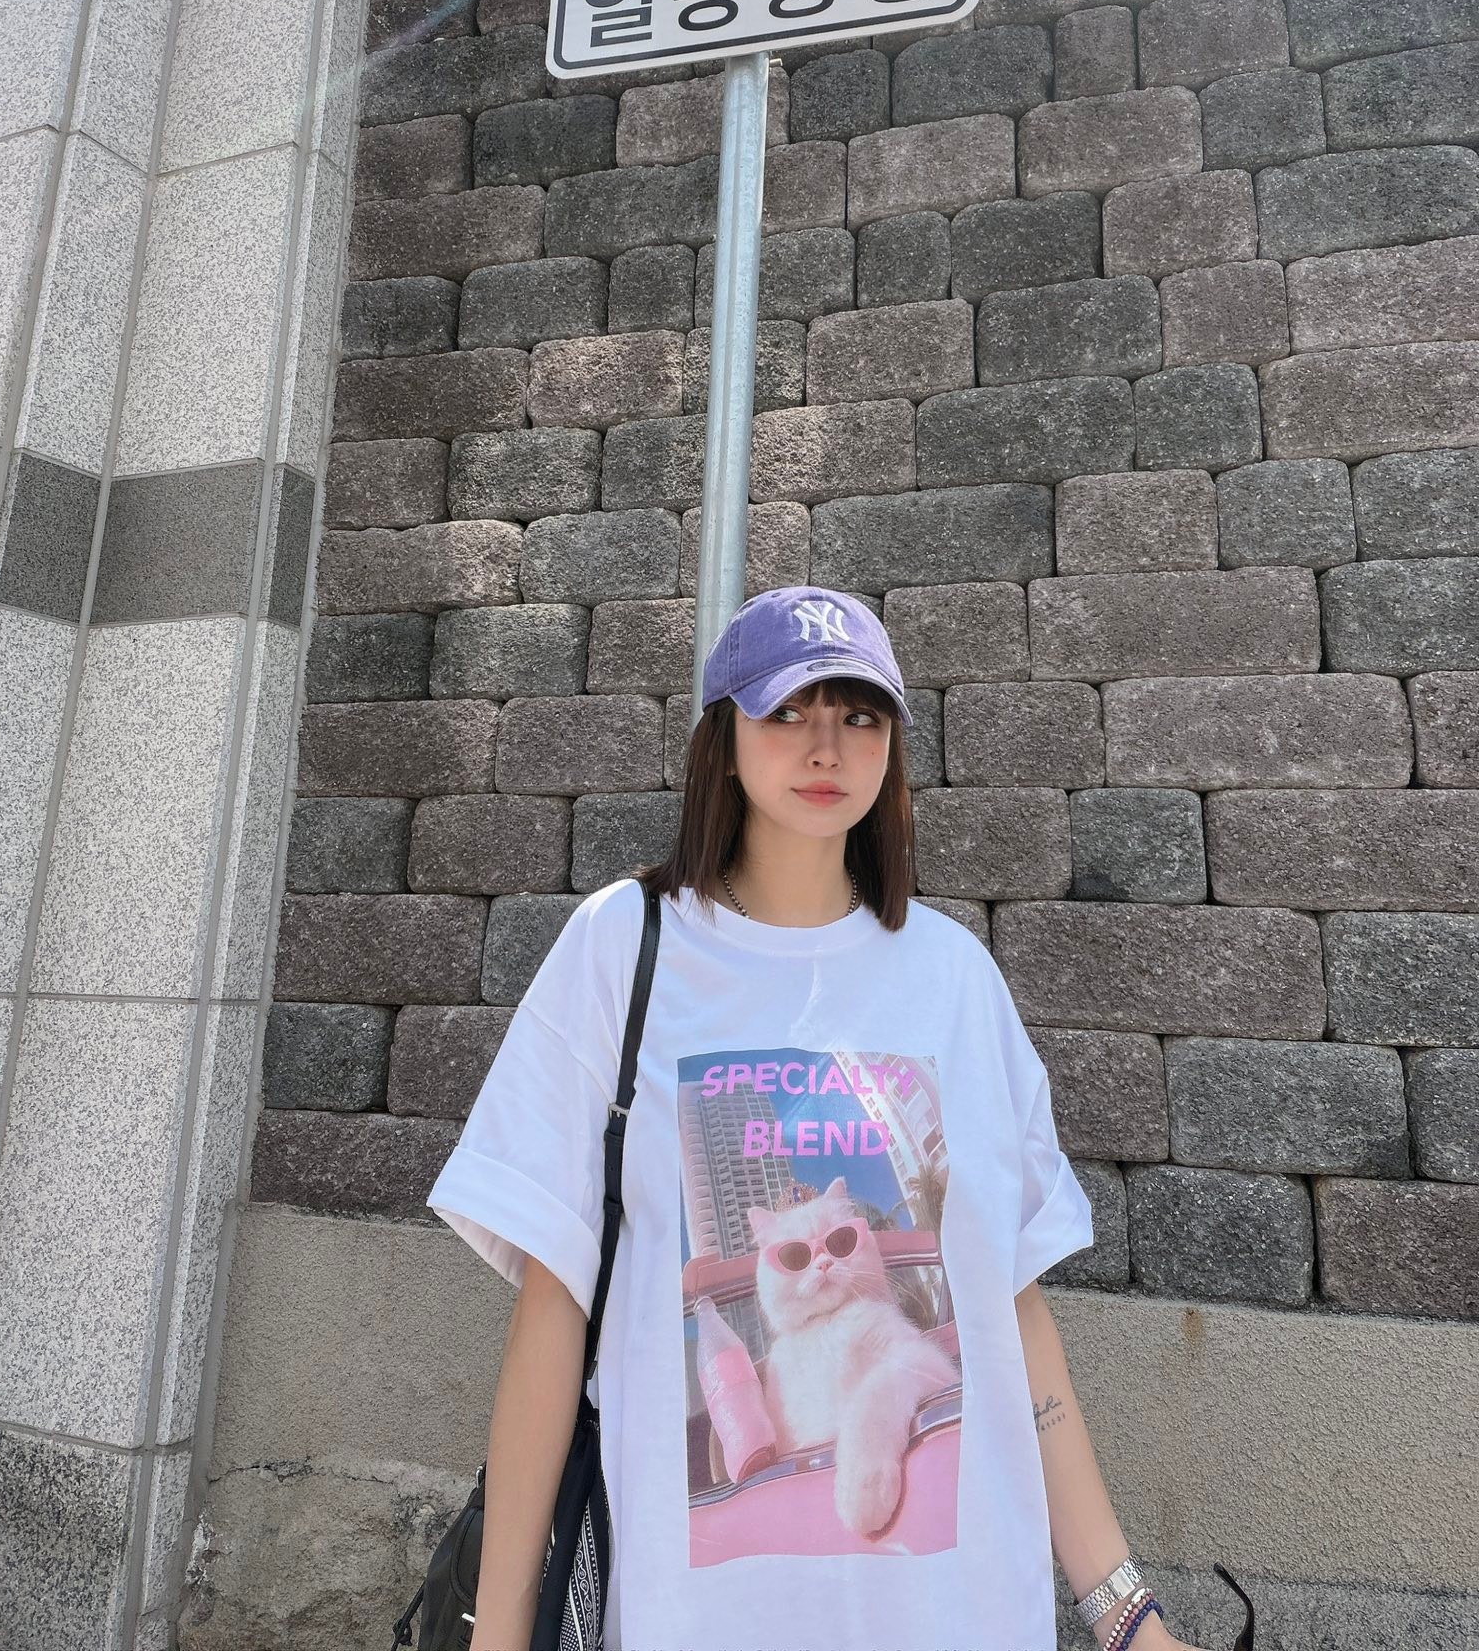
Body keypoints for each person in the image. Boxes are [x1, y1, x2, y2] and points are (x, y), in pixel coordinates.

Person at [428, 584, 1207, 1651]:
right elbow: (554, 1313)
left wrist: (1126, 1617)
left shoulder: (955, 979)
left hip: (958, 1618)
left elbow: (1013, 1317)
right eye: (787, 710)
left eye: (859, 714)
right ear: (724, 738)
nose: (825, 744)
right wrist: (499, 1635)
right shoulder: (623, 948)